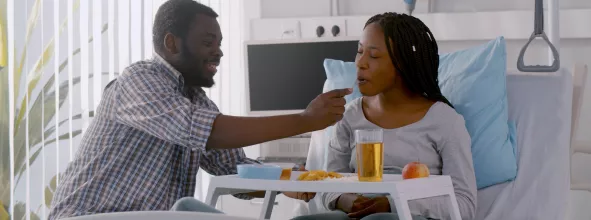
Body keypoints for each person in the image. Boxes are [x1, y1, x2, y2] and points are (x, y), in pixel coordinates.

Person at [47, 0, 351, 219]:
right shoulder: (138, 81)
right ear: (172, 44)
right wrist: (305, 120)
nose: (218, 51)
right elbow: (201, 129)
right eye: (208, 42)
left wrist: (295, 179)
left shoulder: (197, 102)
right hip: (89, 215)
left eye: (219, 42)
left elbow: (233, 169)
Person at [285, 13, 477, 220]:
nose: (360, 63)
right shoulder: (350, 116)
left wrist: (392, 204)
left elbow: (464, 204)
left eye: (374, 56)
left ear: (402, 64)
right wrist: (345, 200)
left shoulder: (444, 121)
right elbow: (330, 184)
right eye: (360, 52)